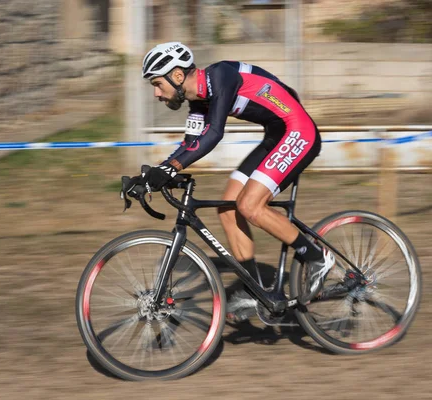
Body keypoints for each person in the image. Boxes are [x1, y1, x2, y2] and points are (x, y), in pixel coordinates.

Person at [139, 41, 335, 321]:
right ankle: (256, 291)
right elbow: (191, 143)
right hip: (275, 135)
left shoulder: (221, 77)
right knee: (228, 209)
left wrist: (171, 168)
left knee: (250, 206)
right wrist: (153, 174)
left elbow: (214, 133)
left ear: (178, 76)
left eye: (158, 84)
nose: (157, 93)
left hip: (298, 131)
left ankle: (317, 258)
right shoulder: (197, 101)